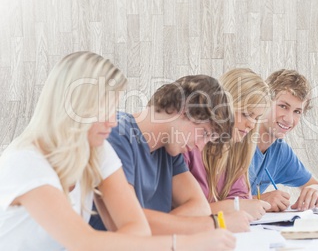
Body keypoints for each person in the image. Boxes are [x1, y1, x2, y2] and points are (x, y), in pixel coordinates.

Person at [0, 51, 236, 251]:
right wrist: (185, 242)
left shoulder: (97, 152)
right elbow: (86, 242)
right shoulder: (26, 161)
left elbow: (138, 230)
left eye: (114, 110)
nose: (112, 121)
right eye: (105, 110)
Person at [90, 74, 251, 235]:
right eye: (204, 133)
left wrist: (160, 227)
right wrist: (216, 224)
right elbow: (126, 223)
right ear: (184, 110)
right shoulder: (115, 134)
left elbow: (200, 206)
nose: (200, 147)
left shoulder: (170, 150)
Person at [184, 68, 272, 220]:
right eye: (245, 114)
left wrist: (236, 206)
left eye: (256, 118)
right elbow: (181, 213)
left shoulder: (234, 152)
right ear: (223, 106)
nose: (251, 125)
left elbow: (243, 202)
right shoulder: (189, 147)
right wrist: (233, 207)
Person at [249, 69, 318, 212]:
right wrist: (258, 200)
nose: (289, 119)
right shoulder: (238, 140)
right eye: (283, 106)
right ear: (264, 103)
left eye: (297, 112)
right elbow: (210, 202)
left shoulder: (280, 152)